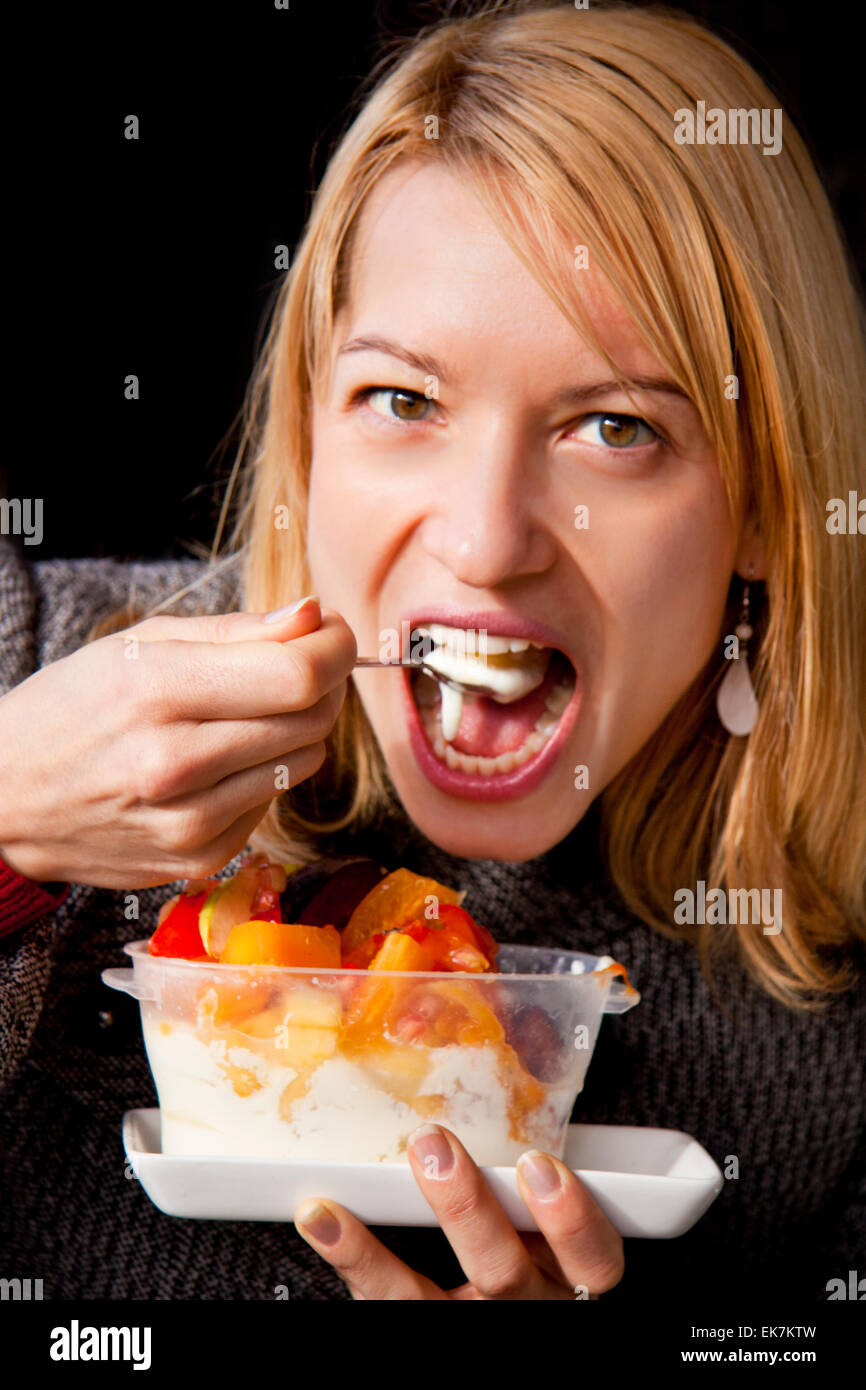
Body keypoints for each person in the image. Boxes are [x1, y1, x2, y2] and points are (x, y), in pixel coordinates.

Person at [1, 0, 864, 1302]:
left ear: (763, 501)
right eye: (401, 401)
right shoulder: (24, 649)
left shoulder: (837, 1004)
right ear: (309, 432)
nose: (482, 540)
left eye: (614, 428)